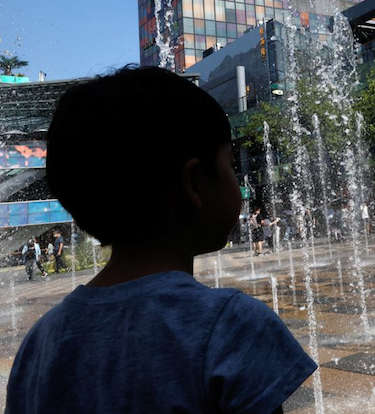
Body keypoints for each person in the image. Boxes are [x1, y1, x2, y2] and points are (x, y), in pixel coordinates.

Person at [6, 67, 316, 413]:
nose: (237, 179)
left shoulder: (39, 344)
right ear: (195, 183)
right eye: (231, 166)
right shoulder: (231, 327)